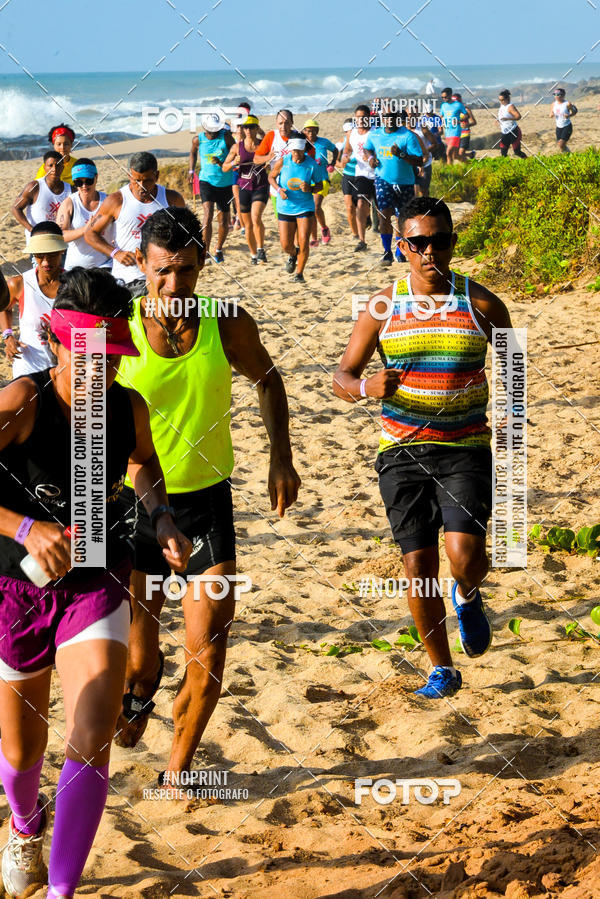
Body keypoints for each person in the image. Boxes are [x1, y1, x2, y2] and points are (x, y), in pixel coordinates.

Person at [0, 266, 192, 899]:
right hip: (15, 589)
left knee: (90, 729)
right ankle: (25, 826)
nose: (100, 373)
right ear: (56, 342)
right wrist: (24, 527)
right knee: (23, 751)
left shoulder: (126, 406)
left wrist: (160, 514)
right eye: (87, 356)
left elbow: (143, 462)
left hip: (95, 576)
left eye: (111, 359)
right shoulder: (20, 406)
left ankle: (62, 892)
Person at [112, 206, 301, 778]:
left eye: (188, 271)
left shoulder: (227, 322)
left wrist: (280, 457)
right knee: (139, 664)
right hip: (132, 505)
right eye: (163, 271)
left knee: (210, 652)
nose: (176, 285)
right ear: (141, 264)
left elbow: (269, 380)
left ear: (202, 265)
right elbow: (89, 412)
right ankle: (141, 691)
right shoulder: (118, 327)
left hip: (206, 501)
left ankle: (177, 770)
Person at [333, 195, 513, 699]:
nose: (428, 251)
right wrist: (367, 388)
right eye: (417, 242)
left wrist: (508, 412)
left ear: (453, 244)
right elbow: (341, 376)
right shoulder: (382, 306)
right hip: (401, 453)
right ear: (401, 247)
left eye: (438, 241)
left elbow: (516, 365)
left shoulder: (481, 303)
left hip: (464, 446)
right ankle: (442, 668)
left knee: (464, 555)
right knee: (417, 567)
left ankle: (469, 592)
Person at [85, 151, 185, 297]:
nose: (141, 186)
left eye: (147, 180)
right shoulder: (116, 200)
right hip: (129, 279)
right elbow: (90, 233)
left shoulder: (172, 199)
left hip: (164, 278)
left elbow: (186, 234)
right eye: (136, 180)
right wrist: (116, 253)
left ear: (157, 176)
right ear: (129, 176)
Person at [0, 223, 66, 378]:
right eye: (39, 256)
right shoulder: (19, 284)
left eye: (51, 255)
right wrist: (8, 336)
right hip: (29, 366)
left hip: (65, 369)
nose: (45, 262)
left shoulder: (76, 285)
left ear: (62, 250)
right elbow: (4, 307)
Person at [363, 109, 423, 266]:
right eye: (386, 117)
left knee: (401, 217)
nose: (389, 120)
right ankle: (386, 252)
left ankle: (399, 249)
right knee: (384, 213)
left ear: (398, 119)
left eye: (392, 117)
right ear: (383, 118)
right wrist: (370, 158)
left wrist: (401, 155)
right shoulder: (375, 134)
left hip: (405, 182)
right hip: (383, 180)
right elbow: (367, 147)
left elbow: (419, 161)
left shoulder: (407, 136)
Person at [268, 137, 323, 283]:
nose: (297, 154)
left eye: (300, 150)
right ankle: (293, 255)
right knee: (286, 245)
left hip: (305, 206)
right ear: (290, 150)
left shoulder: (312, 165)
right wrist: (279, 190)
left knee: (303, 240)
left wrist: (310, 188)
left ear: (304, 149)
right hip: (285, 207)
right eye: (294, 150)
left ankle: (299, 274)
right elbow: (271, 177)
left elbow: (320, 186)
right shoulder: (283, 161)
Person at [188, 114, 235, 263]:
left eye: (216, 129)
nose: (214, 132)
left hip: (225, 183)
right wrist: (191, 171)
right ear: (205, 128)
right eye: (211, 130)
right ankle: (205, 251)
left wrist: (222, 162)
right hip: (206, 180)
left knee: (223, 220)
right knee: (207, 214)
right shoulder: (198, 139)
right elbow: (192, 153)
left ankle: (219, 249)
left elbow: (235, 154)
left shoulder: (226, 138)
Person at [222, 115, 269, 264]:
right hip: (244, 188)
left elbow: (274, 156)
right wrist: (232, 163)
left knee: (256, 218)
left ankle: (261, 249)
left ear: (257, 128)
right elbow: (224, 167)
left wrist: (269, 162)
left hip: (260, 186)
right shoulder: (237, 147)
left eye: (251, 127)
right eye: (245, 127)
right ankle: (254, 254)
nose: (248, 130)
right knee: (247, 225)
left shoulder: (263, 145)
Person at [254, 110, 314, 216]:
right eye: (280, 123)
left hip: (298, 190)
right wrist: (268, 157)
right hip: (277, 189)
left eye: (287, 122)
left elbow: (312, 154)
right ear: (276, 123)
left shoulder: (299, 137)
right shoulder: (271, 136)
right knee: (283, 225)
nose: (283, 126)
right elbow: (256, 159)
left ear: (292, 123)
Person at [56, 159, 111, 270]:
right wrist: (85, 229)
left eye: (88, 181)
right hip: (76, 268)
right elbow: (59, 236)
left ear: (96, 178)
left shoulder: (108, 201)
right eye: (79, 182)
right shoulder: (69, 203)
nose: (84, 186)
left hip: (105, 265)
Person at [12, 152, 71, 239]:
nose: (54, 169)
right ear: (44, 167)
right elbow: (15, 208)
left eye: (58, 165)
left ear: (62, 167)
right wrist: (32, 230)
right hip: (37, 242)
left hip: (61, 242)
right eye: (50, 165)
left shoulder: (71, 189)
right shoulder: (34, 187)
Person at [343, 105, 375, 251]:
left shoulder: (375, 133)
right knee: (361, 204)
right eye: (358, 117)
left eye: (364, 117)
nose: (361, 120)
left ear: (369, 117)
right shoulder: (352, 133)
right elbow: (348, 149)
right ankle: (362, 241)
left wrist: (372, 157)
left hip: (379, 174)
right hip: (362, 174)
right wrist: (345, 157)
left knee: (383, 211)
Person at [302, 119, 338, 246]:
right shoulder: (303, 144)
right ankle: (314, 238)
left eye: (313, 130)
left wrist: (332, 163)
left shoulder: (323, 142)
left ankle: (324, 228)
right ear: (305, 132)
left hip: (322, 179)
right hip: (306, 181)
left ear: (317, 131)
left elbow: (335, 150)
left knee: (316, 207)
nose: (311, 133)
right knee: (309, 210)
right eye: (308, 130)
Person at [338, 118, 359, 241]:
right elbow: (336, 159)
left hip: (361, 176)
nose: (349, 132)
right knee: (349, 207)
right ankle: (355, 234)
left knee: (361, 207)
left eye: (351, 130)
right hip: (347, 175)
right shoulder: (343, 141)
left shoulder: (360, 140)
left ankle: (367, 220)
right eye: (346, 131)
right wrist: (340, 164)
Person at [408, 114, 436, 197]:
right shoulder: (404, 130)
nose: (410, 119)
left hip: (425, 162)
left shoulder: (422, 129)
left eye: (412, 116)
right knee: (412, 191)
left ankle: (427, 208)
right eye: (408, 117)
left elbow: (435, 144)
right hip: (410, 164)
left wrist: (424, 152)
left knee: (423, 190)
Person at [440, 88, 468, 164]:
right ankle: (470, 164)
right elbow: (441, 116)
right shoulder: (443, 105)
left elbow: (466, 115)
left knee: (448, 152)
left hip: (456, 131)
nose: (444, 99)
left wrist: (459, 121)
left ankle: (450, 173)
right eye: (442, 97)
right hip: (447, 132)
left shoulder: (458, 104)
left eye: (445, 97)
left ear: (450, 95)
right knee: (455, 155)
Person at [497, 90, 526, 158]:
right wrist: (498, 120)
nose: (501, 101)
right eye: (500, 100)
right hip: (504, 132)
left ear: (507, 99)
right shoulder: (502, 106)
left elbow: (518, 116)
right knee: (503, 153)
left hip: (514, 131)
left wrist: (508, 119)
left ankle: (528, 161)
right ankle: (507, 167)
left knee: (517, 152)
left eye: (502, 100)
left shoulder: (510, 107)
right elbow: (502, 116)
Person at [551, 88, 577, 153]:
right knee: (561, 146)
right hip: (558, 127)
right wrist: (551, 114)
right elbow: (551, 112)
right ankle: (569, 156)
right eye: (554, 94)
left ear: (563, 95)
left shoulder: (567, 104)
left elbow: (574, 111)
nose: (556, 96)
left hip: (567, 126)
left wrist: (569, 115)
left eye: (558, 95)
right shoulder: (553, 104)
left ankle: (569, 156)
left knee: (561, 144)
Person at [453, 93, 477, 161]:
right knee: (454, 155)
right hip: (455, 134)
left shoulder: (466, 109)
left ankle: (469, 166)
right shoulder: (452, 110)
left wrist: (467, 125)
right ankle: (470, 155)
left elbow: (474, 122)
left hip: (465, 133)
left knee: (460, 153)